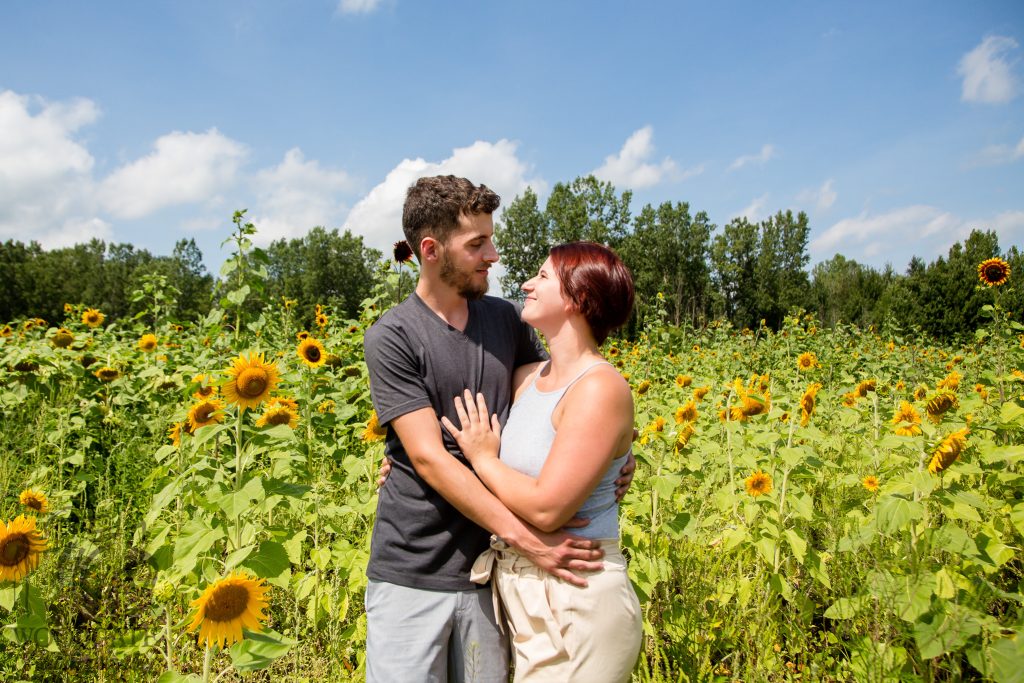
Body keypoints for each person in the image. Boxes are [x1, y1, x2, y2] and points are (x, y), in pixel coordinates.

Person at [362, 175, 635, 683]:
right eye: (477, 244)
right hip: (414, 573)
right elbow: (428, 458)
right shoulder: (393, 335)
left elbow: (562, 391)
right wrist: (529, 538)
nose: (493, 255)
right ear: (430, 250)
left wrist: (618, 453)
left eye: (491, 238)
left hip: (491, 577)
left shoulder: (509, 321)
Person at [441, 241, 642, 681]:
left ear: (579, 299)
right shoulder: (527, 379)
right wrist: (395, 462)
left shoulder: (600, 388)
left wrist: (483, 460)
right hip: (520, 594)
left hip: (577, 595)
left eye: (544, 277)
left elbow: (548, 508)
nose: (527, 284)